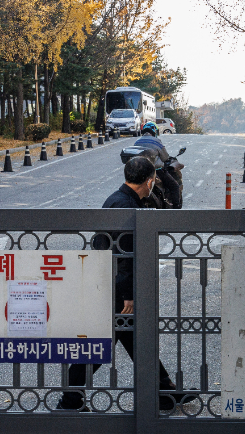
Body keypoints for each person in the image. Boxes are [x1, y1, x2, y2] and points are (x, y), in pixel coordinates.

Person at [57, 157, 189, 411]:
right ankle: (70, 399)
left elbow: (171, 202)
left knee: (131, 340)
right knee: (99, 347)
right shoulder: (125, 207)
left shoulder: (120, 199)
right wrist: (127, 295)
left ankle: (163, 391)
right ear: (149, 181)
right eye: (154, 180)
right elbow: (122, 257)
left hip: (109, 282)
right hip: (116, 288)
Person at [134, 121, 181, 208]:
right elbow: (165, 157)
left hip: (139, 172)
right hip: (156, 171)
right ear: (155, 131)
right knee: (175, 187)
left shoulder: (137, 142)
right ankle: (176, 209)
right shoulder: (156, 141)